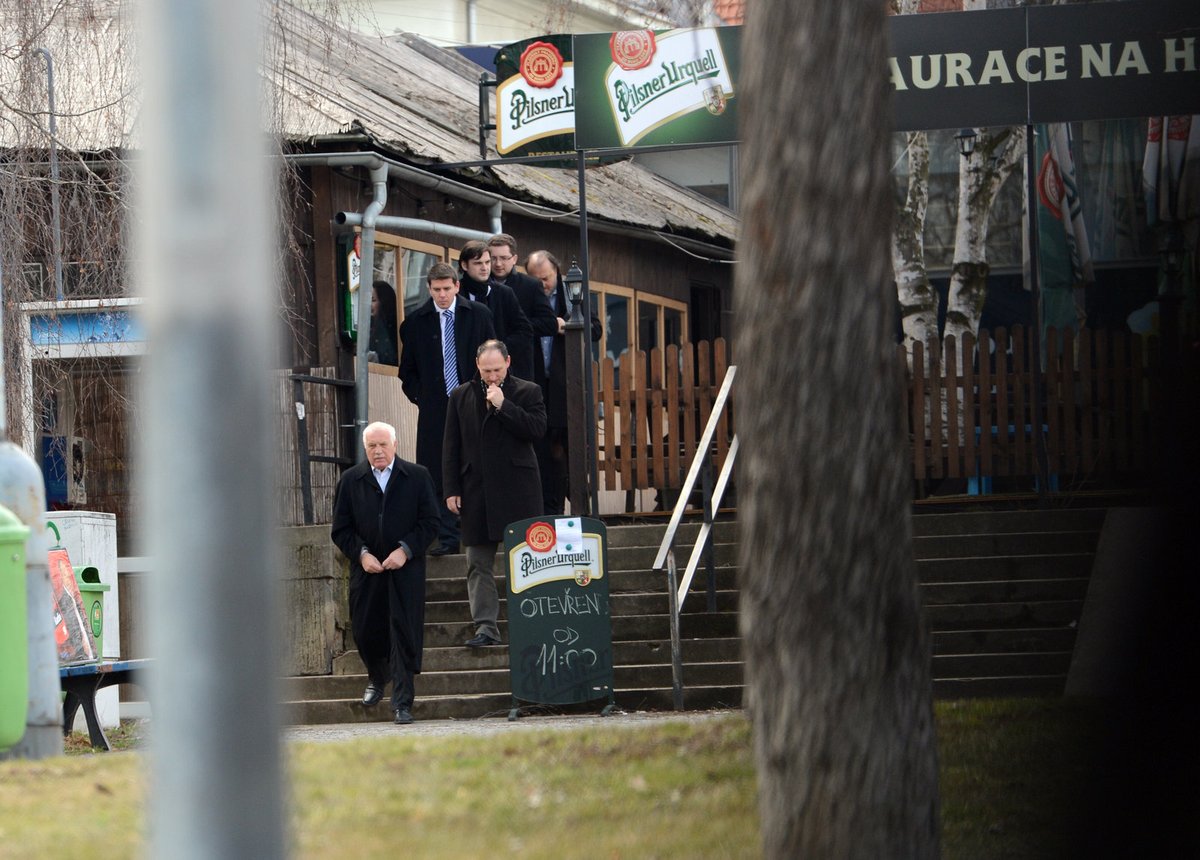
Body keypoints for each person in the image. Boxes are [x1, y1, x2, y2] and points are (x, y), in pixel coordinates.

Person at [331, 421, 440, 725]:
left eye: (383, 445)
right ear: (364, 449)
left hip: (406, 569)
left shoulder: (417, 476)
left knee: (403, 633)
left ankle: (402, 703)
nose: (378, 451)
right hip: (367, 570)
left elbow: (431, 522)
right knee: (365, 630)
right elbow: (340, 530)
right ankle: (377, 677)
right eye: (371, 447)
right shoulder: (351, 480)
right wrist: (362, 554)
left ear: (395, 444)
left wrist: (405, 550)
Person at [443, 339, 547, 647]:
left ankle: (530, 622)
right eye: (486, 370)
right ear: (477, 366)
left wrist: (504, 404)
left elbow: (536, 429)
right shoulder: (460, 395)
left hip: (519, 490)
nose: (491, 376)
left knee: (527, 561)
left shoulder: (528, 391)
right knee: (477, 563)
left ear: (508, 363)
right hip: (476, 491)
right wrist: (451, 488)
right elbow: (451, 446)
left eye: (497, 370)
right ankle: (485, 627)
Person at [399, 262, 495, 556]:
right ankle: (447, 536)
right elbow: (408, 372)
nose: (441, 295)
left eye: (446, 289)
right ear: (429, 289)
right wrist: (424, 397)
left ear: (457, 286)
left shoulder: (477, 315)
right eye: (436, 290)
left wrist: (485, 393)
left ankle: (481, 531)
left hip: (476, 402)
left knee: (477, 463)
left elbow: (493, 354)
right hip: (436, 407)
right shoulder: (416, 322)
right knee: (437, 467)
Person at [525, 249, 603, 514]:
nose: (543, 285)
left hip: (567, 384)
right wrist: (547, 326)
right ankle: (550, 508)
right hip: (537, 383)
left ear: (556, 272)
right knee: (544, 450)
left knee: (569, 448)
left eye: (546, 278)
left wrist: (569, 324)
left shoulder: (573, 295)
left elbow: (596, 329)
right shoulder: (527, 295)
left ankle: (580, 507)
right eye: (536, 280)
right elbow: (520, 327)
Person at [457, 240, 535, 380]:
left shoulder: (503, 293)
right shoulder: (456, 294)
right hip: (464, 372)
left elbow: (524, 331)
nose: (485, 267)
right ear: (464, 265)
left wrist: (498, 350)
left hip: (498, 373)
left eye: (487, 262)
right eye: (478, 263)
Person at [488, 233, 558, 376]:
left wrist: (519, 327)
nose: (498, 264)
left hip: (518, 365)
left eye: (504, 258)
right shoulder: (481, 284)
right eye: (493, 258)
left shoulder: (530, 286)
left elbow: (549, 323)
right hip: (486, 365)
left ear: (514, 259)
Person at [368, 280, 398, 366]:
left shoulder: (395, 326)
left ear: (384, 301)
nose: (369, 304)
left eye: (373, 300)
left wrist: (377, 358)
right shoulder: (369, 325)